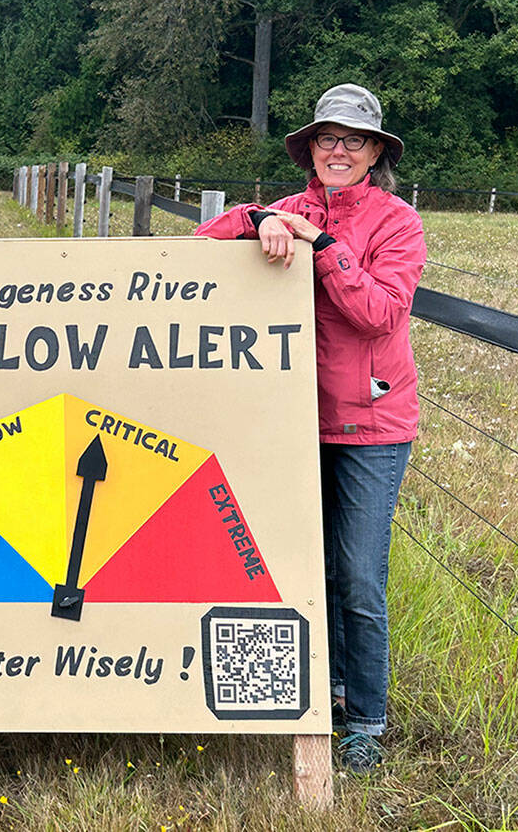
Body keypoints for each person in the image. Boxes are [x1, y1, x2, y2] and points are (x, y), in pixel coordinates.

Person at [194, 83, 424, 773]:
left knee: (358, 573)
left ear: (376, 150)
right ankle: (321, 690)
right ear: (310, 148)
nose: (339, 150)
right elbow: (203, 241)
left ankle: (368, 716)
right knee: (304, 565)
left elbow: (381, 313)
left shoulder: (397, 222)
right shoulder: (290, 208)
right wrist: (260, 218)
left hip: (373, 422)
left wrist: (321, 244)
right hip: (294, 418)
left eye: (354, 139)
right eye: (328, 137)